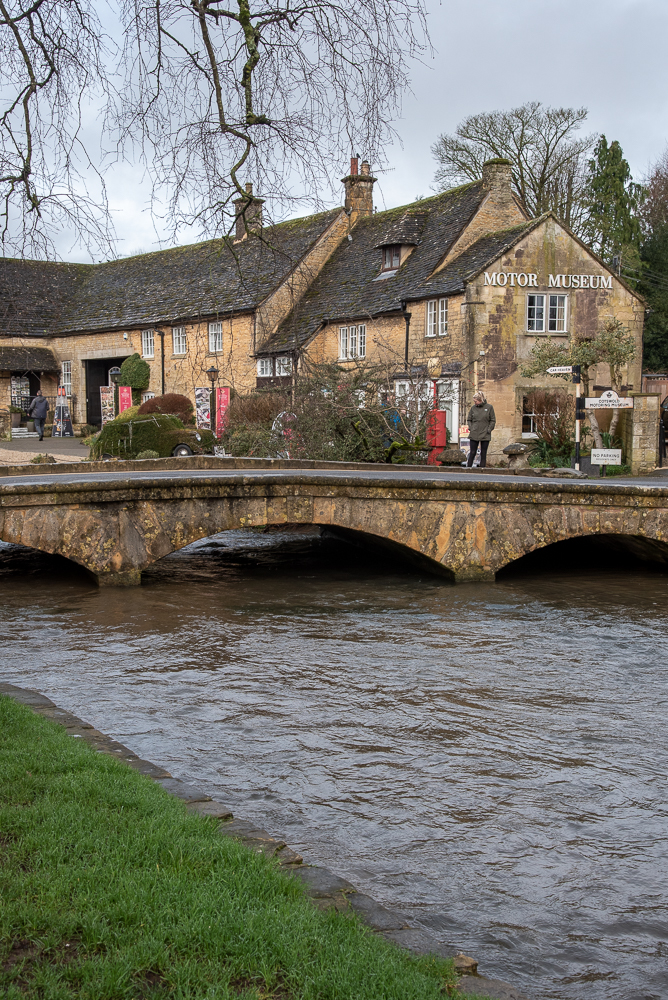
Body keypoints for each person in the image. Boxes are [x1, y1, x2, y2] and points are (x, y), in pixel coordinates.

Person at [466, 391, 496, 468]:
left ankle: (482, 469)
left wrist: (489, 429)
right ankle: (468, 468)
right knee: (472, 452)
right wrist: (471, 428)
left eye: (475, 401)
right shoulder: (473, 408)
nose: (475, 403)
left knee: (483, 453)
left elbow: (492, 420)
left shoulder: (489, 407)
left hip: (485, 433)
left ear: (480, 400)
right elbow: (469, 419)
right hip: (474, 432)